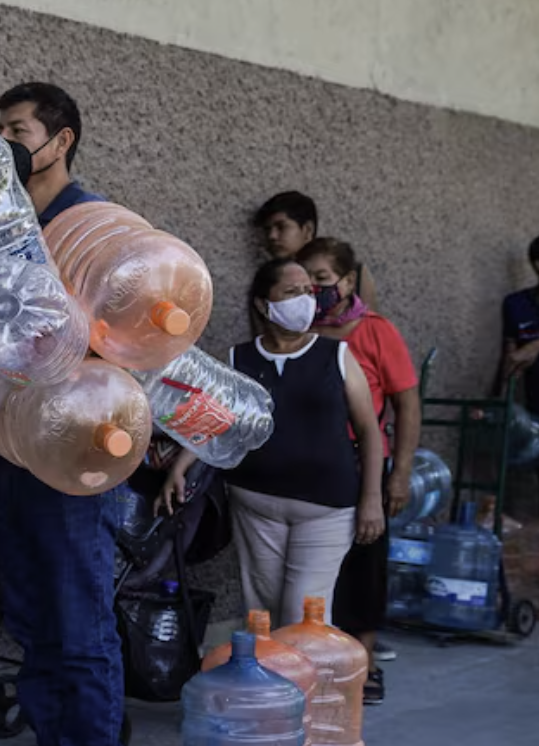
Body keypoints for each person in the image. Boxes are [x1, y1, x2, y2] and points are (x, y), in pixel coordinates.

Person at [0, 82, 125, 746]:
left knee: (79, 621)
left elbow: (128, 345)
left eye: (16, 130)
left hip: (75, 452)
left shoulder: (94, 230)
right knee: (29, 618)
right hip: (9, 445)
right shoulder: (0, 229)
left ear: (59, 141)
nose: (3, 142)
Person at [159, 259, 386, 628]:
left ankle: (305, 685)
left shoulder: (337, 355)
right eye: (292, 292)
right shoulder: (239, 358)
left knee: (304, 615)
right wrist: (180, 469)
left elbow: (369, 431)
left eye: (309, 292)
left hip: (326, 509)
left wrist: (372, 500)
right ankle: (272, 685)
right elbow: (215, 421)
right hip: (255, 505)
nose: (305, 300)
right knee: (262, 612)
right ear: (264, 305)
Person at [299, 237, 420, 705]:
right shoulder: (300, 331)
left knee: (363, 565)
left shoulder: (374, 331)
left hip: (362, 461)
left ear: (348, 282)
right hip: (311, 463)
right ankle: (317, 661)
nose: (314, 290)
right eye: (307, 281)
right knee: (318, 568)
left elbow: (408, 404)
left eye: (324, 280)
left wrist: (400, 474)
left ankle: (364, 664)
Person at [254, 191, 379, 311]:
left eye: (281, 227)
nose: (272, 236)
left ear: (308, 230)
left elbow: (371, 326)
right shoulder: (268, 279)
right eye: (267, 229)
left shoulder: (352, 272)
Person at [499, 234, 539, 513]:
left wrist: (538, 345)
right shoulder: (516, 304)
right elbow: (511, 351)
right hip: (536, 408)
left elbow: (530, 349)